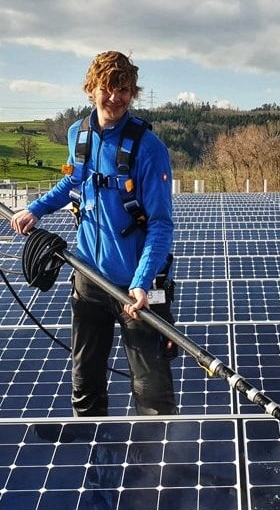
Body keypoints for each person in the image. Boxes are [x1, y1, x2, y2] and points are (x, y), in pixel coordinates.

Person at [10, 51, 177, 416]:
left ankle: (159, 467)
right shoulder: (78, 134)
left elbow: (162, 224)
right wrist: (35, 209)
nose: (115, 98)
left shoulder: (149, 149)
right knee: (85, 383)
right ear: (91, 88)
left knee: (151, 391)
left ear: (133, 94)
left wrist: (143, 281)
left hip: (136, 287)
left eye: (124, 90)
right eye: (107, 88)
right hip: (87, 276)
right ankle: (92, 461)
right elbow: (74, 180)